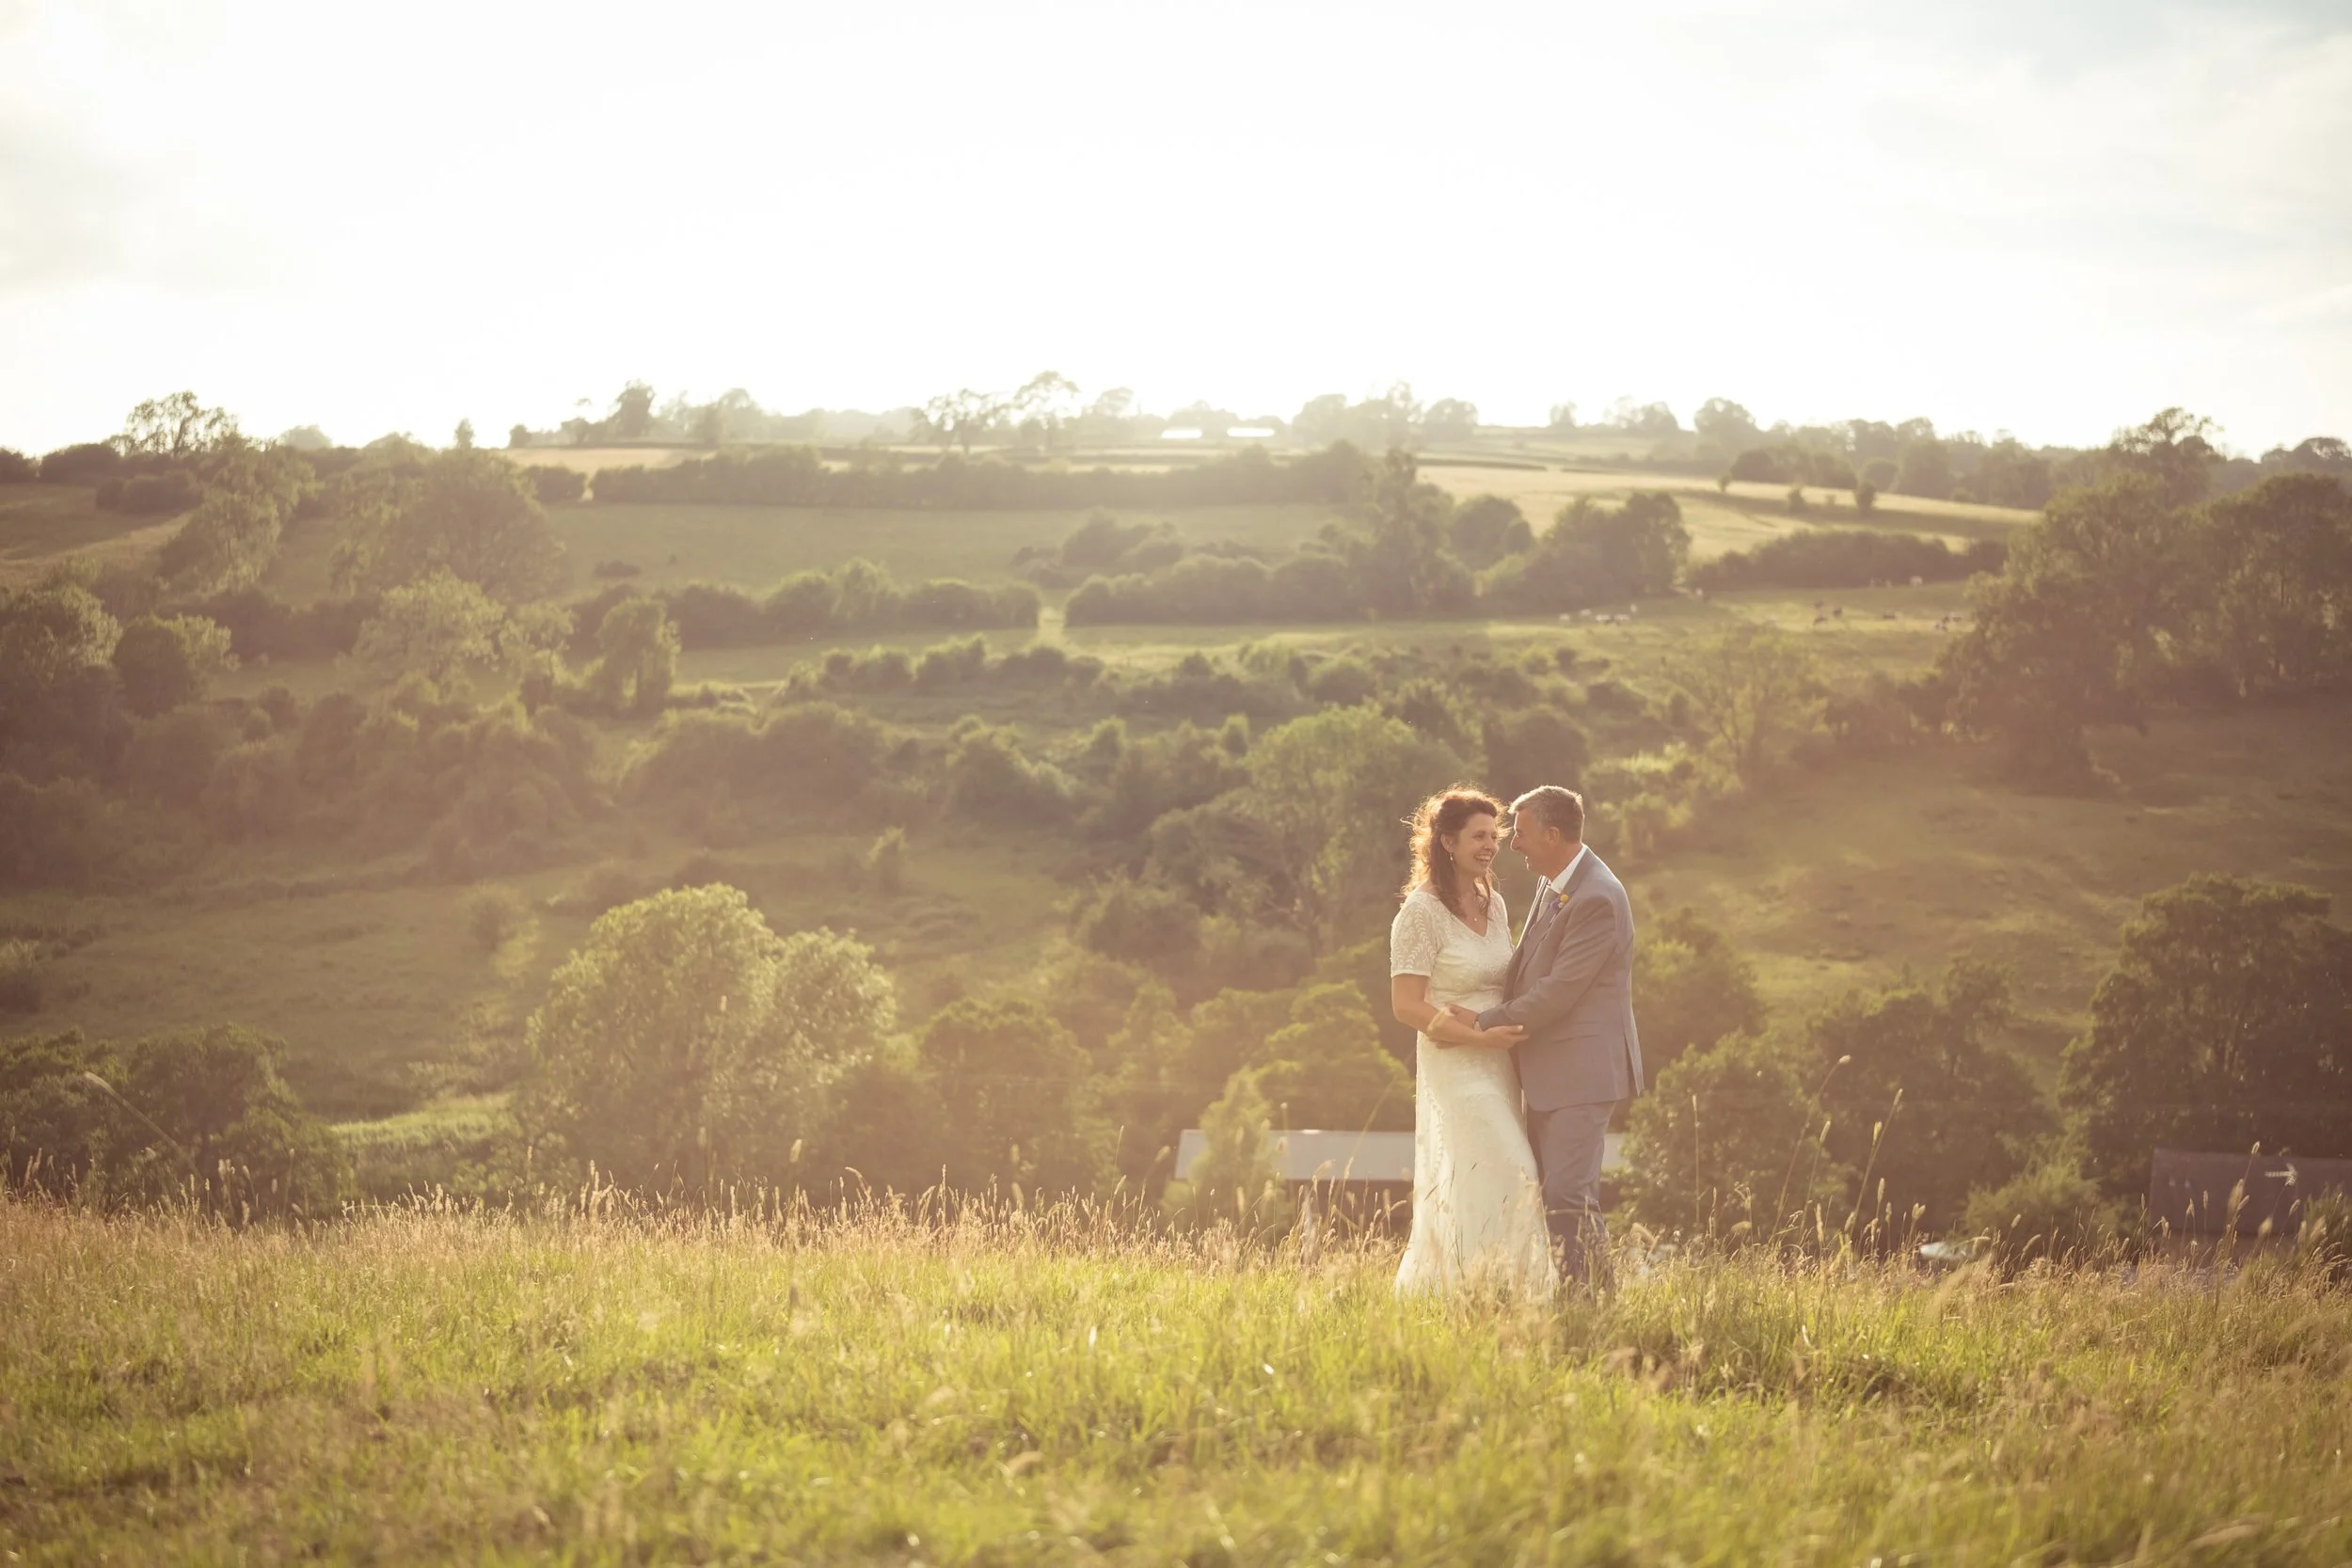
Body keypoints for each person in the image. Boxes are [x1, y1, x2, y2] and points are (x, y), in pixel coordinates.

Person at [1456, 784, 1645, 1292]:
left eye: (1521, 834)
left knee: (1567, 1194)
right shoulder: (1555, 881)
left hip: (1581, 1073)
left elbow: (1560, 991)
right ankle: (1570, 1297)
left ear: (1553, 834)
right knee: (1549, 1195)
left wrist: (1480, 1022)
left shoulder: (1598, 897)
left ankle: (1594, 1305)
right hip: (1547, 1071)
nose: (1512, 845)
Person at [1388, 787, 1554, 1299]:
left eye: (1496, 835)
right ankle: (1485, 1286)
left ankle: (1489, 1289)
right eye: (1478, 836)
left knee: (1487, 1176)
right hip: (1455, 1064)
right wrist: (1475, 1034)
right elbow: (1407, 1006)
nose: (1490, 845)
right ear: (1447, 842)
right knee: (1514, 1166)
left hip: (1502, 1066)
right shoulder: (1419, 913)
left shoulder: (1495, 903)